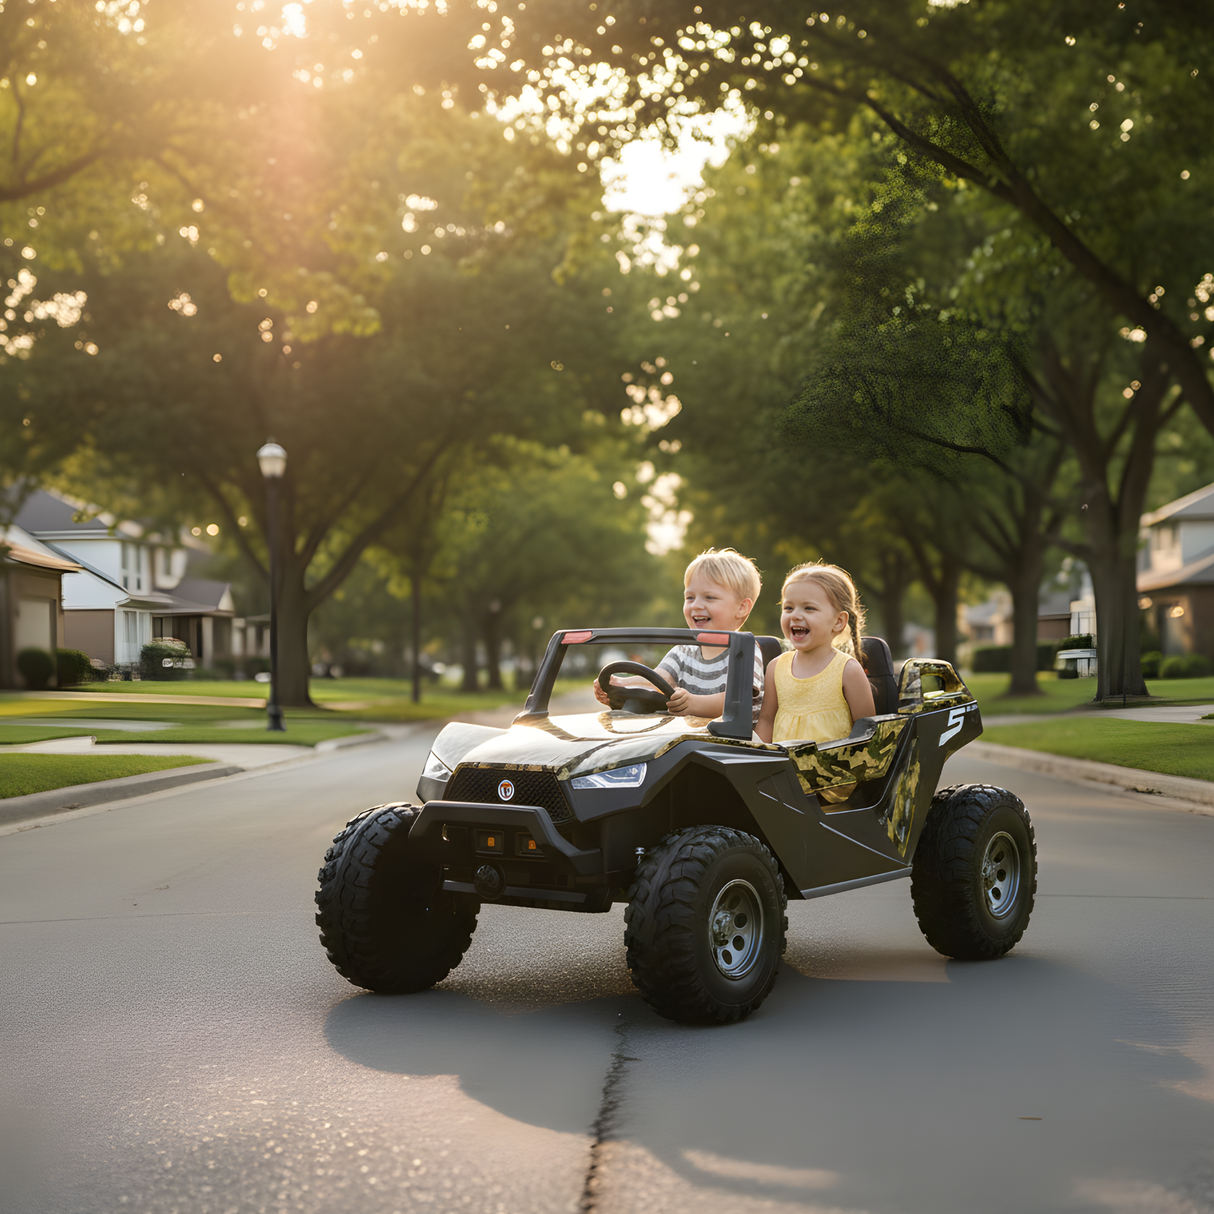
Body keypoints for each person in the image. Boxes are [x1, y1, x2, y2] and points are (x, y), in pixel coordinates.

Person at [594, 547, 765, 720]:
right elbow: (659, 681)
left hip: (735, 740)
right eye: (690, 598)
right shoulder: (684, 650)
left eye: (709, 597)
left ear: (742, 608)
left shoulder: (744, 651)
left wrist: (693, 704)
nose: (696, 605)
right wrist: (620, 685)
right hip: (688, 738)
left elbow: (736, 701)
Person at [755, 562, 876, 745]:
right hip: (781, 770)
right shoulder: (775, 668)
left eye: (809, 608)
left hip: (834, 770)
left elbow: (867, 734)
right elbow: (766, 721)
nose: (795, 615)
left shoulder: (848, 671)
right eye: (788, 608)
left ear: (838, 621)